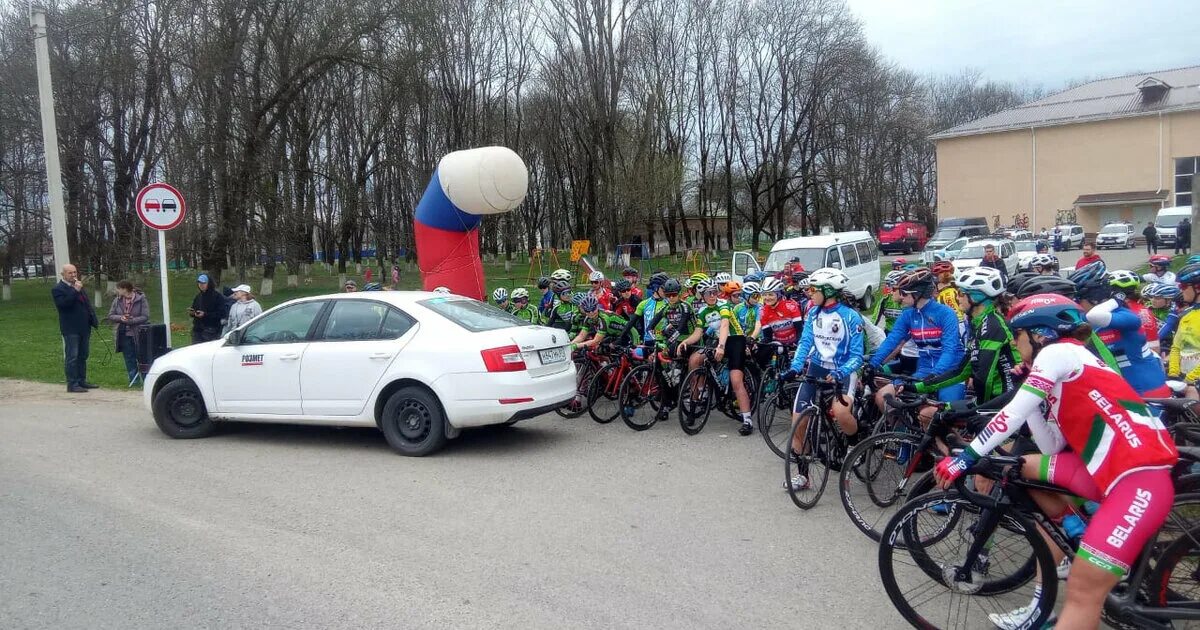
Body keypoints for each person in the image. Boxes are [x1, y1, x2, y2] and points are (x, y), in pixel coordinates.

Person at [935, 293, 1177, 630]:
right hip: (1108, 470)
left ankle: (1088, 558)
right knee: (1022, 467)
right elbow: (1051, 447)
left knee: (1082, 591)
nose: (1015, 344)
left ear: (1038, 334)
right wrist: (1031, 395)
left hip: (1136, 480)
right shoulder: (1069, 359)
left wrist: (966, 459)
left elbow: (1012, 413)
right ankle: (1073, 532)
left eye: (1017, 336)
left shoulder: (1057, 352)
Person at [781, 268, 865, 488]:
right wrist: (794, 368)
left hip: (843, 371)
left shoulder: (850, 316)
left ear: (828, 291)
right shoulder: (813, 313)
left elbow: (857, 356)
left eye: (813, 289)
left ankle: (854, 443)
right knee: (798, 420)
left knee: (841, 412)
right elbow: (805, 343)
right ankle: (803, 475)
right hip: (817, 368)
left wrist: (839, 373)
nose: (809, 293)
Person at [915, 267, 1019, 404]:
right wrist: (918, 387)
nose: (957, 298)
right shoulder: (978, 322)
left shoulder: (992, 326)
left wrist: (978, 410)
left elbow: (984, 378)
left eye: (961, 293)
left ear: (976, 297)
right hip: (994, 398)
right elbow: (961, 371)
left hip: (1004, 400)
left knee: (938, 415)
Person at [868, 268, 966, 413]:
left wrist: (935, 375)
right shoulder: (908, 315)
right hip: (924, 370)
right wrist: (872, 364)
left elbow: (949, 350)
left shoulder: (946, 314)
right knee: (883, 397)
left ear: (917, 294)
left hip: (950, 372)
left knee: (945, 414)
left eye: (903, 293)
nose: (900, 297)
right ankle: (900, 433)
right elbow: (892, 341)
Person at [1072, 263, 1168, 397]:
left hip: (1148, 389)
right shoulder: (1084, 318)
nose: (1076, 304)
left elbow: (1094, 316)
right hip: (1122, 390)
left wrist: (1117, 299)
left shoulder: (1126, 315)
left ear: (1094, 299)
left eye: (1078, 300)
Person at [677, 278, 754, 435]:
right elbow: (698, 332)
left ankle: (747, 420)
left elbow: (725, 325)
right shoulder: (703, 311)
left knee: (736, 380)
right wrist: (684, 342)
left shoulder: (723, 305)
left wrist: (721, 346)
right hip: (719, 340)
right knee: (694, 359)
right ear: (703, 296)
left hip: (735, 340)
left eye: (714, 292)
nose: (712, 295)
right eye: (708, 293)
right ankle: (699, 394)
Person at [51, 263, 99, 392]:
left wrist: (93, 319)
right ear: (63, 274)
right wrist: (75, 291)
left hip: (84, 327)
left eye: (75, 272)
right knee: (72, 356)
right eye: (70, 273)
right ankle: (72, 384)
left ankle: (81, 380)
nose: (73, 275)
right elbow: (64, 305)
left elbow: (86, 304)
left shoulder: (78, 286)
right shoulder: (58, 289)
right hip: (70, 328)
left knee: (83, 355)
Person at [105, 280, 150, 384]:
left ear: (124, 289)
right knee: (129, 357)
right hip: (124, 333)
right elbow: (111, 315)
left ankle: (147, 380)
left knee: (142, 357)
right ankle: (133, 380)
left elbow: (145, 316)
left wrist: (132, 320)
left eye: (118, 289)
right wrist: (121, 318)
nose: (117, 291)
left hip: (139, 333)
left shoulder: (141, 299)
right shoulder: (117, 300)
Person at [1168, 263, 1200, 392]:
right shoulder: (1186, 315)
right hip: (1186, 381)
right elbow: (1176, 347)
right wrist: (1174, 374)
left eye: (1183, 286)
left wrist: (1190, 380)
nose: (1180, 290)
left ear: (1198, 287)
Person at [189, 273, 225, 344]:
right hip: (197, 330)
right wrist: (193, 313)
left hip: (211, 330)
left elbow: (222, 313)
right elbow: (194, 309)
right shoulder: (198, 296)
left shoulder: (218, 297)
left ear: (209, 283)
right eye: (199, 282)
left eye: (203, 283)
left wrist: (205, 314)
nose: (201, 285)